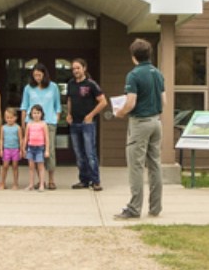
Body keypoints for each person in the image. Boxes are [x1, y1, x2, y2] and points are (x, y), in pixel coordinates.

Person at [111, 38, 163, 219]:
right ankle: (155, 208)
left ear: (134, 56)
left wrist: (120, 112)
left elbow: (131, 102)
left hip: (140, 123)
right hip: (157, 121)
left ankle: (134, 208)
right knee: (155, 164)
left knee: (136, 166)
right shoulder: (158, 73)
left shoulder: (133, 75)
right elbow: (164, 101)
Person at [65, 58, 108, 191]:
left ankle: (95, 181)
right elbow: (70, 100)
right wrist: (68, 114)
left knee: (90, 153)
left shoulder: (91, 84)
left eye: (78, 68)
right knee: (79, 154)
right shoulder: (71, 83)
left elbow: (103, 102)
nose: (75, 71)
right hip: (74, 124)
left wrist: (91, 115)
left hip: (87, 124)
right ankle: (84, 180)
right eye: (73, 68)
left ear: (84, 68)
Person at [18, 63, 62, 190]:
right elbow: (24, 106)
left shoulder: (53, 87)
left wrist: (56, 118)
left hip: (49, 122)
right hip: (32, 123)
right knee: (36, 151)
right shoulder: (28, 88)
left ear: (44, 74)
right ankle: (40, 181)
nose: (37, 77)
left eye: (39, 75)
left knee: (50, 151)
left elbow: (58, 105)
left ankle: (51, 180)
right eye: (35, 75)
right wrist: (23, 124)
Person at [24, 105, 49, 191]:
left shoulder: (43, 124)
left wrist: (47, 150)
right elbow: (26, 137)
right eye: (34, 113)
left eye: (38, 113)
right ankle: (31, 184)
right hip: (31, 147)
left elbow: (47, 138)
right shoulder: (29, 124)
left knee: (40, 166)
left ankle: (41, 184)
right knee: (31, 167)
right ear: (31, 114)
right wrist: (24, 148)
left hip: (40, 148)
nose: (36, 115)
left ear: (41, 114)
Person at [0, 108, 22, 190]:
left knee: (15, 166)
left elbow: (20, 139)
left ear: (15, 118)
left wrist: (21, 150)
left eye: (11, 117)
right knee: (5, 166)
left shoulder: (18, 128)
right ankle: (2, 183)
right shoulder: (3, 128)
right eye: (7, 118)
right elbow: (1, 139)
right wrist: (1, 149)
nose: (9, 119)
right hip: (6, 149)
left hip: (15, 149)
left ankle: (15, 184)